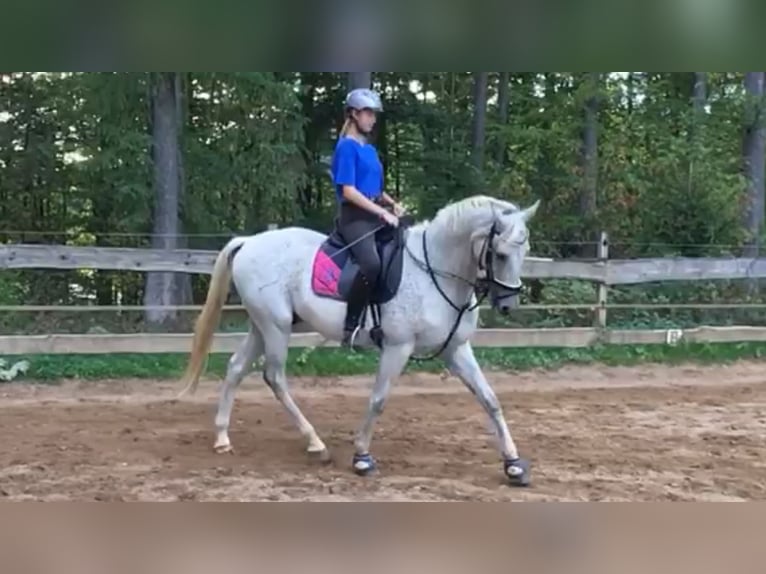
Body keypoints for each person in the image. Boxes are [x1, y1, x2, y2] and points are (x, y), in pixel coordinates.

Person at [331, 87, 405, 348]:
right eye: (367, 113)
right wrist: (381, 212)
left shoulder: (369, 150)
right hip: (355, 219)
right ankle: (351, 327)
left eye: (374, 114)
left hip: (376, 215)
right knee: (371, 264)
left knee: (400, 253)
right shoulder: (346, 148)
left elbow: (374, 188)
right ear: (353, 114)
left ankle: (384, 322)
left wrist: (392, 205)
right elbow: (349, 191)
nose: (372, 119)